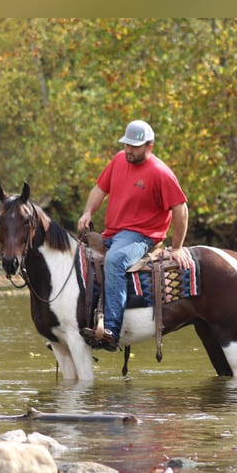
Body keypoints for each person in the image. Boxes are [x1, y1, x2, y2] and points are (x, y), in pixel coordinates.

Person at [78, 119, 190, 352]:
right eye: (127, 144)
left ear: (149, 145)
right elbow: (100, 189)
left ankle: (110, 330)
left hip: (141, 236)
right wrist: (88, 211)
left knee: (115, 260)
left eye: (134, 146)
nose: (129, 150)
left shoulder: (161, 173)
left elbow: (180, 208)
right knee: (77, 256)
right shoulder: (119, 159)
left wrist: (177, 246)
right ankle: (72, 324)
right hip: (113, 233)